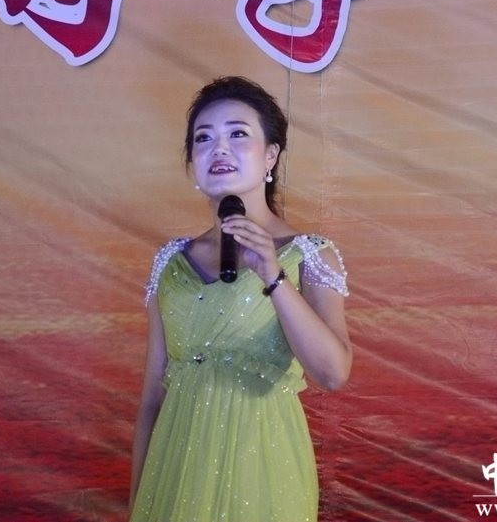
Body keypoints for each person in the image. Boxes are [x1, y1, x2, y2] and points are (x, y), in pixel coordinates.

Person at [129, 76, 352, 522]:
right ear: (191, 161)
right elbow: (153, 395)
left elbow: (332, 373)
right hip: (175, 471)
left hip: (263, 469)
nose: (220, 149)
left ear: (271, 155)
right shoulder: (171, 262)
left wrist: (272, 274)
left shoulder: (308, 254)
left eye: (238, 134)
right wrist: (139, 501)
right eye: (204, 138)